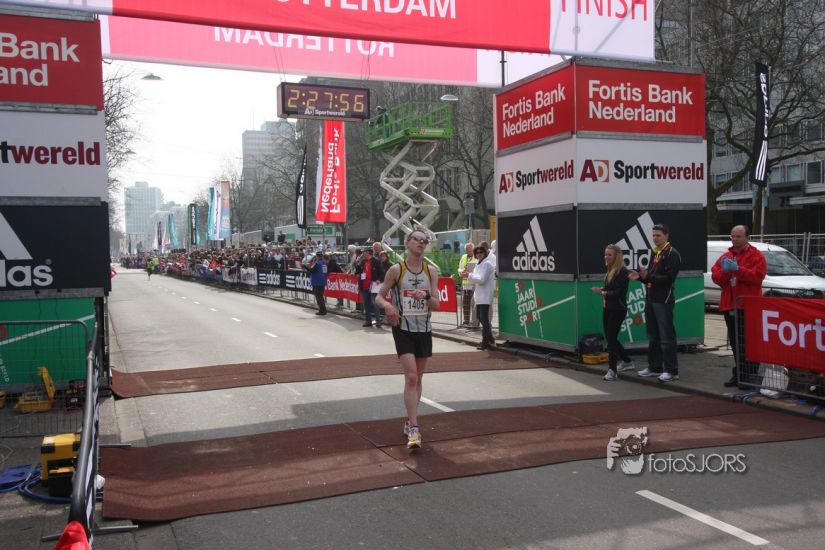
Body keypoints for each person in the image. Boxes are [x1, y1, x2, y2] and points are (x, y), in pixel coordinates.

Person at [375, 230, 440, 449]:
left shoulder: (431, 271)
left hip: (424, 329)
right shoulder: (396, 270)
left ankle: (409, 420)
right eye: (417, 239)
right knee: (411, 377)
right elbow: (378, 296)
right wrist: (388, 306)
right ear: (407, 243)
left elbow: (437, 305)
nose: (421, 243)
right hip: (403, 328)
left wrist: (427, 296)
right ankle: (414, 427)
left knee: (418, 379)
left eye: (425, 240)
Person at [711, 225, 767, 389]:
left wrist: (738, 270)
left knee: (749, 342)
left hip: (748, 305)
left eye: (738, 236)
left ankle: (750, 374)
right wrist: (727, 272)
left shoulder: (757, 255)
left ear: (748, 238)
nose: (735, 239)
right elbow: (716, 276)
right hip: (730, 304)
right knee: (736, 342)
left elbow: (757, 277)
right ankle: (740, 374)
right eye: (733, 236)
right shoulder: (726, 256)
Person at [629, 224, 681, 382]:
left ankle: (671, 370)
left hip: (663, 300)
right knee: (653, 335)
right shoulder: (655, 252)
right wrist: (641, 277)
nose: (655, 238)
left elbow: (668, 279)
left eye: (658, 235)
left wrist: (648, 277)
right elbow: (651, 278)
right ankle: (654, 367)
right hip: (651, 298)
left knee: (666, 336)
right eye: (653, 235)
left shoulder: (672, 254)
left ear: (666, 235)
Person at [591, 244, 635, 381]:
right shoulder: (610, 269)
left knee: (611, 339)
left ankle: (612, 371)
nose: (606, 257)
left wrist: (602, 292)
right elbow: (610, 288)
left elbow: (618, 293)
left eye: (609, 254)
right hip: (608, 307)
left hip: (618, 309)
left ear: (617, 256)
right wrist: (603, 289)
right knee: (611, 338)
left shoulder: (622, 271)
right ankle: (627, 361)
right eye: (605, 254)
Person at [464, 244, 496, 350]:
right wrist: (468, 275)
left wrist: (469, 275)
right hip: (479, 295)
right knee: (480, 317)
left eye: (481, 252)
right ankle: (490, 338)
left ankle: (485, 341)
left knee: (483, 318)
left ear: (485, 253)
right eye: (477, 253)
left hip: (485, 295)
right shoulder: (478, 264)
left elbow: (481, 280)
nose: (479, 254)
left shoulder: (487, 264)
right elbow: (476, 279)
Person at [356, 248, 384, 327]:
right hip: (364, 286)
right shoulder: (362, 261)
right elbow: (357, 271)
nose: (363, 254)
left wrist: (379, 279)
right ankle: (368, 321)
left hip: (373, 286)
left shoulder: (376, 261)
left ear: (368, 252)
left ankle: (378, 321)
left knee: (375, 304)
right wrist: (357, 262)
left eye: (364, 252)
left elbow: (382, 272)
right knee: (366, 304)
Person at [457, 242, 479, 328]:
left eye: (470, 250)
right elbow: (459, 267)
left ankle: (475, 322)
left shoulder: (477, 258)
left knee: (474, 305)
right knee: (465, 304)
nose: (468, 252)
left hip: (474, 285)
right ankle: (466, 321)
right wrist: (460, 272)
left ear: (473, 250)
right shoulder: (463, 257)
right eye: (467, 250)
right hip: (465, 284)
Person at [305, 250, 328, 315]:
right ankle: (323, 310)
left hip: (317, 282)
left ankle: (322, 311)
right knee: (320, 296)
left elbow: (312, 270)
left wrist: (305, 267)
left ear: (317, 256)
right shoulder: (324, 263)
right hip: (322, 281)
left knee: (318, 297)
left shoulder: (317, 263)